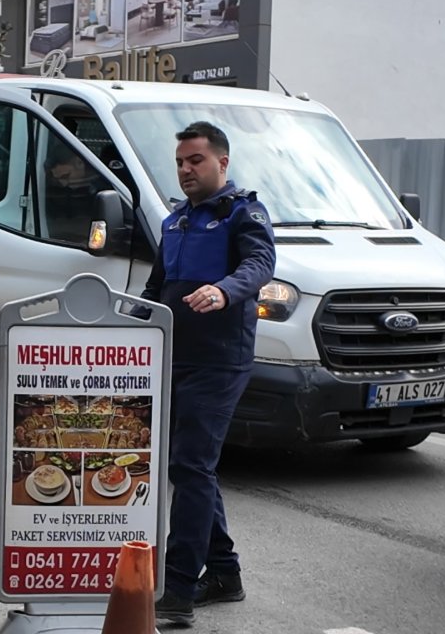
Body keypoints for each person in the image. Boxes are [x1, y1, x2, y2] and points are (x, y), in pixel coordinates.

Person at [142, 121, 276, 627]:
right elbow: (156, 289)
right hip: (174, 357)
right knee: (191, 467)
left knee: (191, 466)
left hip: (219, 361)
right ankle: (224, 573)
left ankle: (177, 590)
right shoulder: (174, 221)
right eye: (180, 162)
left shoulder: (243, 213)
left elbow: (260, 264)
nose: (185, 169)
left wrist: (224, 290)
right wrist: (121, 327)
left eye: (195, 160)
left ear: (222, 162)